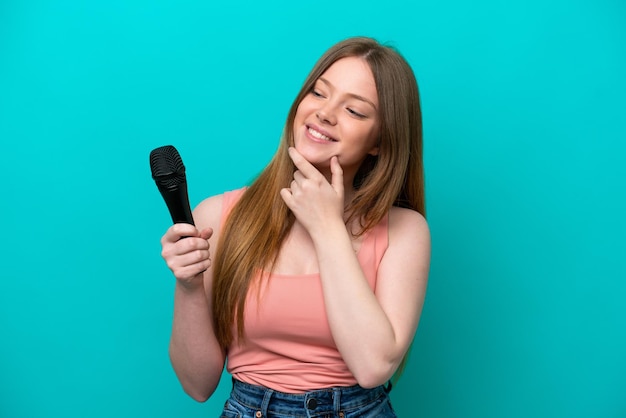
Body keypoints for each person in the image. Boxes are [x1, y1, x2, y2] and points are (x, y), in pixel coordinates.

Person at [160, 36, 430, 417]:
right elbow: (197, 385)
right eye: (319, 93)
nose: (325, 113)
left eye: (354, 110)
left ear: (379, 142)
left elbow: (373, 367)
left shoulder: (405, 232)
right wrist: (188, 287)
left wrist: (327, 229)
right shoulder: (218, 217)